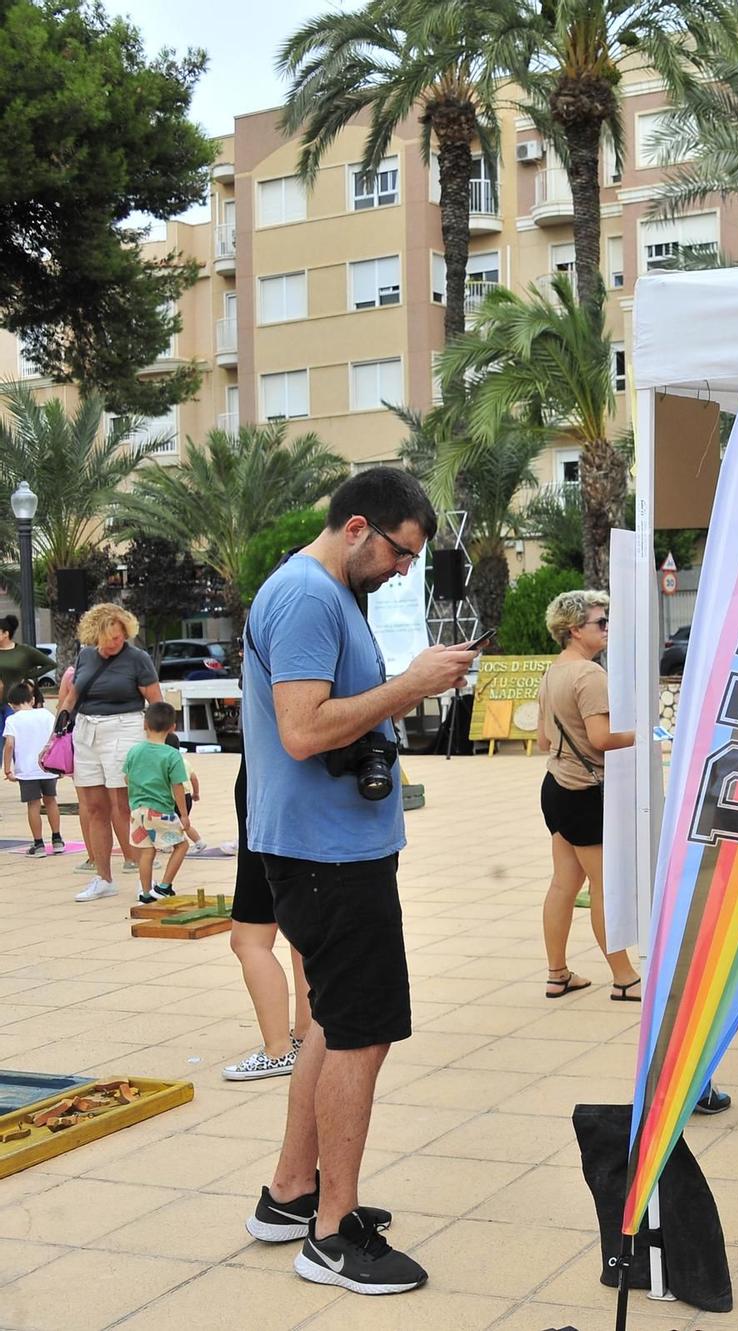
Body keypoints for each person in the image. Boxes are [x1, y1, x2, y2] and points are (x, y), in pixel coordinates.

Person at [239, 468, 480, 1296]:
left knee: (333, 1023)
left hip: (329, 847)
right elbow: (303, 731)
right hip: (325, 856)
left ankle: (290, 1194)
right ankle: (333, 1234)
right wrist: (410, 684)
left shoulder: (327, 593)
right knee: (361, 1033)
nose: (406, 570)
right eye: (401, 552)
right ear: (356, 528)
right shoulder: (308, 596)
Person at [536, 590, 643, 1001]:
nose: (607, 628)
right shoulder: (590, 675)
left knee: (564, 882)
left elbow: (544, 738)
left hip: (557, 787)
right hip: (585, 792)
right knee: (603, 885)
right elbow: (601, 739)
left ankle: (557, 972)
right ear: (575, 629)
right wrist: (646, 734)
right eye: (601, 622)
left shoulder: (552, 673)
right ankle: (624, 977)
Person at [60, 603, 160, 902]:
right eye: (109, 638)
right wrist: (59, 725)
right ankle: (103, 878)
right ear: (95, 635)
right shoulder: (86, 655)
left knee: (124, 804)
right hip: (87, 728)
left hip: (124, 726)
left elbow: (155, 701)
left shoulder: (137, 658)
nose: (115, 642)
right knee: (93, 807)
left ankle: (146, 880)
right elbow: (74, 693)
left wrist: (158, 742)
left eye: (119, 636)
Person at [223, 756, 309, 1082]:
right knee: (301, 930)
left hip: (268, 805)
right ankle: (306, 1035)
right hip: (303, 803)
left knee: (249, 940)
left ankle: (278, 1049)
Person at [123, 701, 198, 905]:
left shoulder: (134, 752)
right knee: (181, 845)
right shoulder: (172, 755)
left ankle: (146, 894)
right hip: (161, 811)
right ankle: (164, 886)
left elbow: (127, 779)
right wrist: (183, 814)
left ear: (145, 724)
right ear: (173, 728)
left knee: (147, 852)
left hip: (137, 812)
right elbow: (178, 787)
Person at [2, 681, 63, 855]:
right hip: (47, 767)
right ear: (33, 699)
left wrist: (8, 769)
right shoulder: (46, 715)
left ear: (11, 704)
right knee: (51, 801)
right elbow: (55, 739)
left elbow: (9, 746)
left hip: (27, 771)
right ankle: (57, 839)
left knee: (33, 805)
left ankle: (38, 844)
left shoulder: (12, 720)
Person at [0, 615, 58, 762]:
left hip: (14, 702)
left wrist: (29, 675)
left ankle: (20, 772)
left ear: (6, 633)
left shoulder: (23, 651)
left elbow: (50, 664)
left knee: (14, 739)